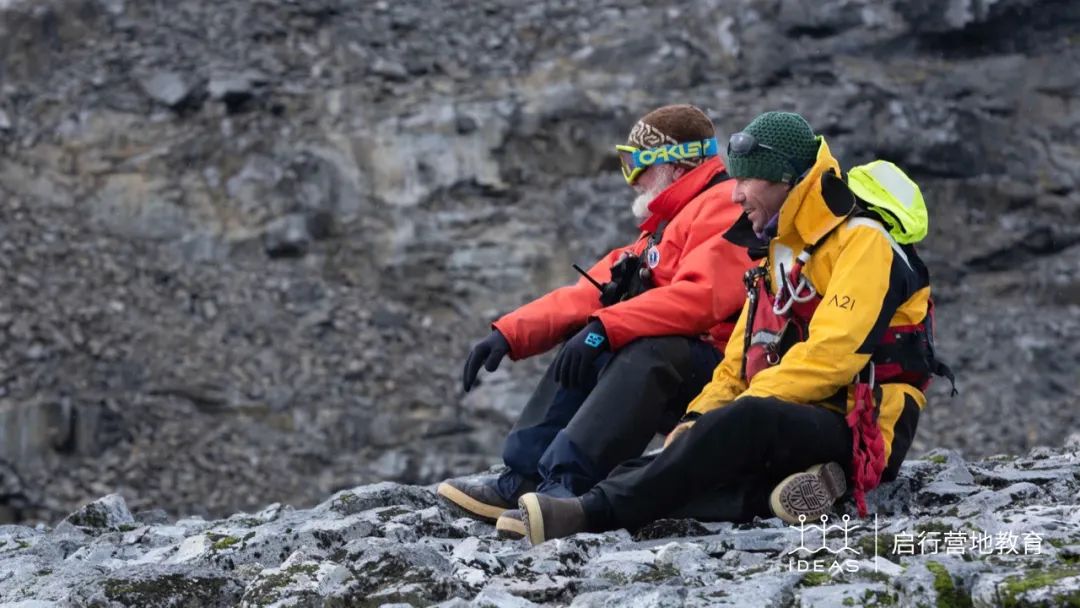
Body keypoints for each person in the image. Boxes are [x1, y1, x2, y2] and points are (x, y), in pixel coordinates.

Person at [514, 111, 954, 545]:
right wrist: (696, 421)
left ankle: (589, 513)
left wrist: (728, 419)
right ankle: (784, 493)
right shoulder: (780, 253)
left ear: (785, 181)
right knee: (687, 451)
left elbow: (832, 357)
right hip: (793, 417)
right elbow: (736, 366)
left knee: (743, 422)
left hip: (863, 429)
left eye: (747, 181)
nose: (735, 195)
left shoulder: (862, 241)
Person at [437, 105, 754, 538]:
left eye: (638, 165)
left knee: (641, 345)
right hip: (694, 369)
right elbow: (593, 289)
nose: (633, 179)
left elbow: (702, 298)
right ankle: (526, 477)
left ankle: (569, 488)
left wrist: (607, 328)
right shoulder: (668, 224)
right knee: (589, 337)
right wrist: (509, 333)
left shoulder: (723, 206)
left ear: (679, 164)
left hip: (731, 379)